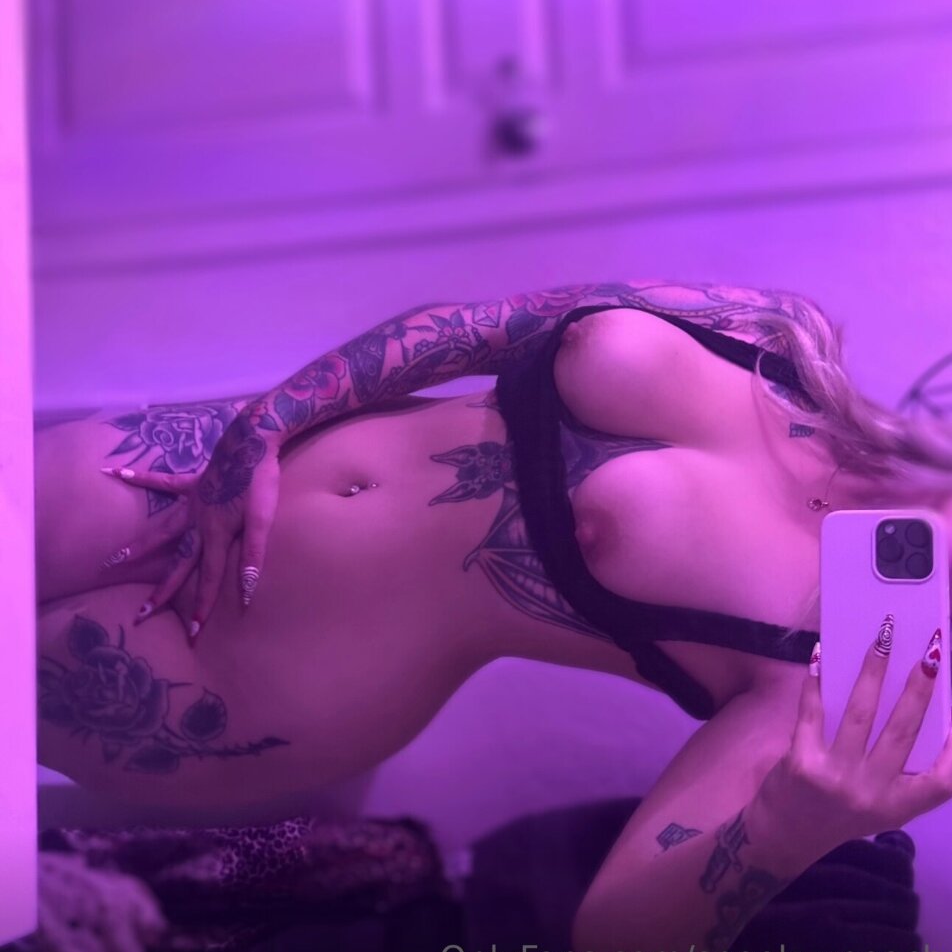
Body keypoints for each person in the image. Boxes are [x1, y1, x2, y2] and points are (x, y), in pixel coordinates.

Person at [34, 277, 952, 949]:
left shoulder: (837, 672)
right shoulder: (781, 339)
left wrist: (791, 828)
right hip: (203, 465)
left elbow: (614, 931)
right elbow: (478, 326)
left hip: (262, 669)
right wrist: (267, 423)